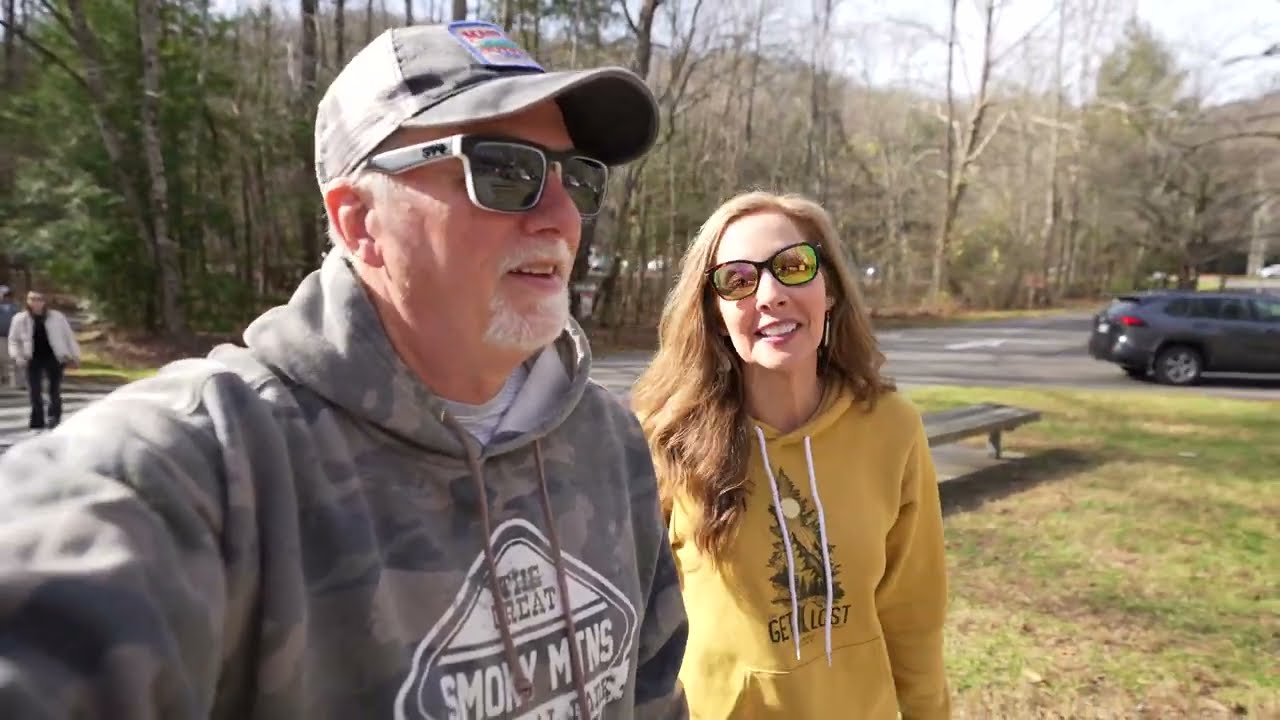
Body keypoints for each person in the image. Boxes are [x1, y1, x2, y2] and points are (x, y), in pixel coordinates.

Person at [0, 21, 687, 719]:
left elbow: (656, 690)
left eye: (575, 177)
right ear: (360, 222)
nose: (563, 216)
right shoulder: (222, 468)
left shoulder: (609, 438)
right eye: (505, 172)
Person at [632, 191, 951, 719]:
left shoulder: (892, 428)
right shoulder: (664, 439)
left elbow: (913, 613)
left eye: (793, 267)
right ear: (714, 313)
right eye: (738, 280)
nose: (770, 294)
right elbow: (633, 633)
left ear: (829, 291)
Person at [6, 290, 80, 428]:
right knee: (34, 391)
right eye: (32, 299)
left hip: (55, 357)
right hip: (32, 358)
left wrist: (75, 356)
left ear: (44, 301)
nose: (35, 302)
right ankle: (37, 420)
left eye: (39, 299)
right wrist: (17, 356)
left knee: (54, 390)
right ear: (27, 301)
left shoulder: (57, 317)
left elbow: (69, 337)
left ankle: (54, 417)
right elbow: (13, 340)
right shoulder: (20, 319)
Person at [0, 286, 17, 388]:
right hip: (1, 336)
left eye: (5, 295)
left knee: (10, 360)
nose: (3, 297)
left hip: (12, 337)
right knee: (1, 359)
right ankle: (3, 378)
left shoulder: (15, 308)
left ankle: (9, 381)